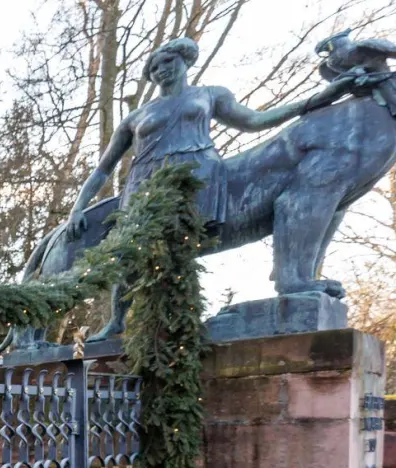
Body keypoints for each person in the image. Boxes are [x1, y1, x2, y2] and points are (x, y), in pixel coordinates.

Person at [65, 37, 360, 337]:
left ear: (185, 61)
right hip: (144, 188)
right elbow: (103, 168)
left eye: (168, 62)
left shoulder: (210, 95)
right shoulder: (136, 117)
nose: (161, 70)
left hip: (197, 177)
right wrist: (77, 209)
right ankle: (117, 320)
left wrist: (317, 100)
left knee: (183, 249)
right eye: (154, 67)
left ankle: (179, 323)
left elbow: (255, 120)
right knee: (131, 255)